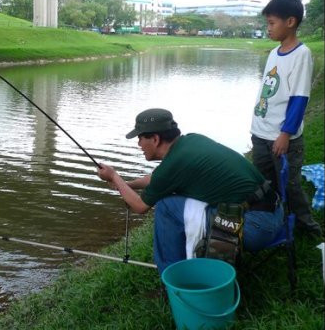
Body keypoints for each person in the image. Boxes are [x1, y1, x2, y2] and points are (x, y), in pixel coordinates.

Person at [97, 108, 284, 275]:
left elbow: (139, 206)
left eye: (140, 138)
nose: (138, 144)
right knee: (173, 198)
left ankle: (173, 275)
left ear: (155, 139)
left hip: (255, 227)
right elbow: (156, 180)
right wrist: (126, 184)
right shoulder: (191, 141)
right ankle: (184, 264)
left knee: (166, 207)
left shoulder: (173, 165)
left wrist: (114, 177)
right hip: (274, 211)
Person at [250, 0, 321, 237]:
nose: (267, 28)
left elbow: (299, 99)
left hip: (282, 139)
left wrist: (285, 134)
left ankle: (308, 229)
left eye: (271, 23)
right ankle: (274, 222)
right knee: (264, 183)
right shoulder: (274, 53)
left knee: (290, 185)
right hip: (260, 133)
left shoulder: (301, 55)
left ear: (290, 22)